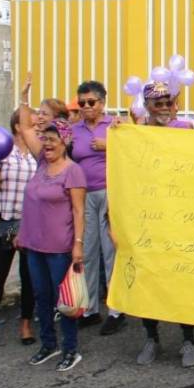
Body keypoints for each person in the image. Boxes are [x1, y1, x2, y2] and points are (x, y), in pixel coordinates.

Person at [133, 81, 194, 367]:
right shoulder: (135, 133)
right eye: (157, 103)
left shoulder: (186, 129)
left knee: (182, 279)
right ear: (147, 105)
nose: (164, 108)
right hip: (148, 217)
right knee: (149, 278)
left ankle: (189, 340)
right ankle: (151, 338)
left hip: (179, 216)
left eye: (168, 103)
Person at [17, 104, 87, 372]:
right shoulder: (41, 163)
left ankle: (70, 349)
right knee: (42, 296)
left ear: (65, 142)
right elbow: (25, 127)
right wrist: (24, 98)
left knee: (65, 301)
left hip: (60, 247)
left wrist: (78, 245)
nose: (46, 144)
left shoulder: (73, 171)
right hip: (33, 244)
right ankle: (48, 344)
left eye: (51, 139)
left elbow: (79, 211)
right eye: (44, 139)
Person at [0, 110, 39, 355]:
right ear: (18, 125)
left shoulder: (37, 151)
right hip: (8, 222)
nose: (37, 124)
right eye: (32, 121)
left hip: (31, 221)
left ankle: (25, 324)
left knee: (28, 275)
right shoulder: (1, 149)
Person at [70, 81, 123, 335]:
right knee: (87, 251)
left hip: (109, 192)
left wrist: (109, 144)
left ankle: (116, 309)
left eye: (91, 102)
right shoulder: (74, 129)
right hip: (83, 195)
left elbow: (133, 152)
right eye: (82, 103)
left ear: (102, 102)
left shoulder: (115, 125)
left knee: (110, 250)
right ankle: (90, 308)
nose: (86, 107)